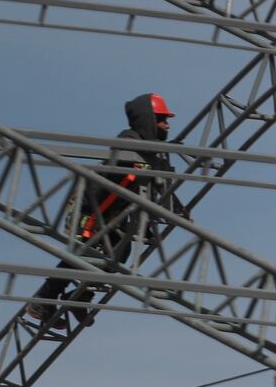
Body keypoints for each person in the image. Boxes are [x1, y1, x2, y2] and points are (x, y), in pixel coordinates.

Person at [27, 93, 182, 322]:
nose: (167, 125)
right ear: (148, 119)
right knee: (83, 253)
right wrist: (154, 163)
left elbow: (149, 192)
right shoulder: (129, 142)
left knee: (119, 254)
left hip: (111, 215)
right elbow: (133, 172)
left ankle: (80, 297)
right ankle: (42, 300)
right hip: (89, 210)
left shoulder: (150, 155)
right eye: (162, 119)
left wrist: (173, 210)